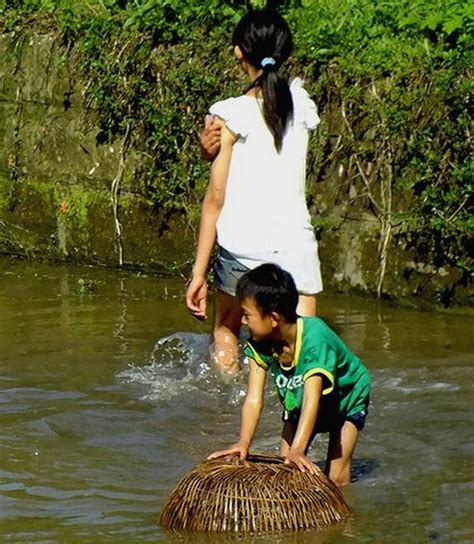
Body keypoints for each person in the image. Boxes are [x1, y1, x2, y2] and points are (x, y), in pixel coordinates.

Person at [186, 9, 323, 374]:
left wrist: (199, 273)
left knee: (226, 331)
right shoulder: (302, 106)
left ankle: (223, 411)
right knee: (303, 349)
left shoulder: (231, 114)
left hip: (243, 248)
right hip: (298, 250)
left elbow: (215, 200)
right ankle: (292, 421)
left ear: (237, 52)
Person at [209, 264, 371, 487]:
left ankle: (344, 517)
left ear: (273, 318)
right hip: (299, 399)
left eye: (247, 315)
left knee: (336, 475)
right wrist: (243, 443)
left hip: (346, 399)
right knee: (284, 471)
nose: (243, 321)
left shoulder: (314, 339)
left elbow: (312, 398)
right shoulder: (260, 343)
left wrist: (298, 450)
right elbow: (254, 398)